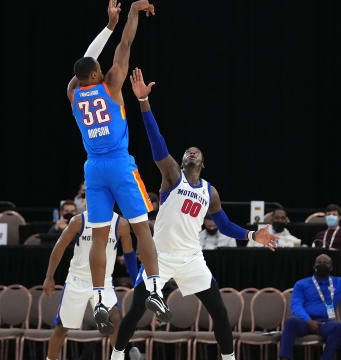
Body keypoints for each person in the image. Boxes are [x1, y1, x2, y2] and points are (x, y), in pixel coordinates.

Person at [110, 68, 279, 360]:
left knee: (219, 310)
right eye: (187, 151)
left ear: (203, 162)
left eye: (195, 152)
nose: (190, 152)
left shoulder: (210, 192)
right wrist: (143, 103)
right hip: (159, 257)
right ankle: (115, 356)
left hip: (191, 258)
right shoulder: (173, 177)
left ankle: (229, 359)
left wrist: (252, 234)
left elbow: (223, 224)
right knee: (136, 308)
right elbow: (157, 142)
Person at [66, 0, 169, 334]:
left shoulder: (72, 92)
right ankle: (154, 289)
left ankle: (98, 298)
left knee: (98, 238)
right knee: (142, 228)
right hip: (120, 166)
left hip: (93, 170)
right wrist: (131, 15)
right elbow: (125, 45)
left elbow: (85, 61)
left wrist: (107, 26)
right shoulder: (110, 84)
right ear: (96, 73)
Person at [43, 209, 138, 360]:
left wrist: (136, 280)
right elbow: (59, 246)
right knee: (62, 327)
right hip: (77, 280)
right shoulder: (79, 221)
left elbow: (129, 254)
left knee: (114, 319)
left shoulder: (120, 223)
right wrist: (49, 276)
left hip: (103, 280)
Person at [279, 254, 341, 360]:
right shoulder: (301, 284)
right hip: (304, 322)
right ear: (314, 266)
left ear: (331, 268)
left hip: (325, 323)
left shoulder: (340, 282)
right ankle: (285, 358)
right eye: (319, 262)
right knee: (291, 321)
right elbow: (296, 305)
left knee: (339, 327)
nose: (322, 265)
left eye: (325, 263)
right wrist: (308, 321)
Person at [312, 203, 341, 277]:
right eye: (328, 214)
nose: (331, 216)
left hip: (339, 267)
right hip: (320, 267)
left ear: (339, 217)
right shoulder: (320, 235)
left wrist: (338, 252)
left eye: (334, 215)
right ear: (325, 217)